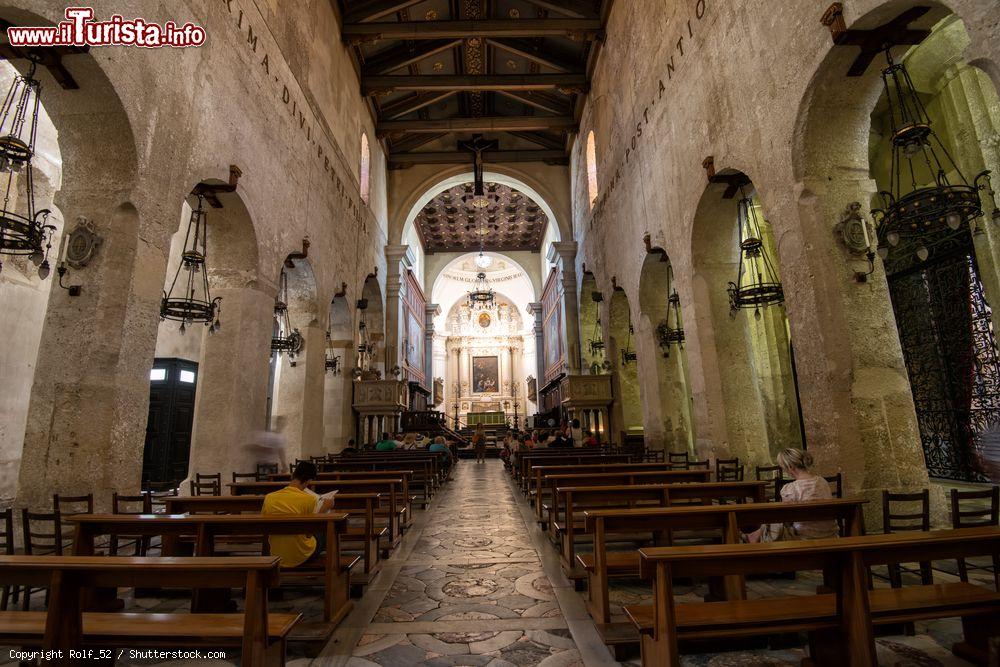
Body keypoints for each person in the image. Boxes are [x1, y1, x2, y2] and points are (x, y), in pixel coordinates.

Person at [744, 448, 838, 543]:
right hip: (830, 534)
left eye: (783, 467)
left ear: (790, 467)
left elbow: (785, 519)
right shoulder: (822, 481)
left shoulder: (790, 489)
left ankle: (754, 537)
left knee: (773, 521)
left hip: (804, 537)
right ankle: (754, 535)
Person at [261, 461, 334, 567]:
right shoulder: (310, 499)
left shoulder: (269, 497)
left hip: (275, 553)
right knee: (326, 529)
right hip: (301, 555)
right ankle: (329, 568)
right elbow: (309, 533)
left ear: (292, 475)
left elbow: (264, 528)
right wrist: (324, 508)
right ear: (309, 481)